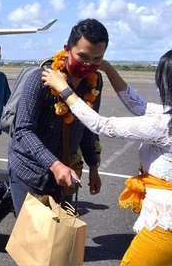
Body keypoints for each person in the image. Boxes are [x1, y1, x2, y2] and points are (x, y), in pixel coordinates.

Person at [42, 53, 172, 266]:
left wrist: (64, 88)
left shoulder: (164, 125)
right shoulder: (166, 118)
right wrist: (108, 69)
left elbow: (100, 125)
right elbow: (139, 106)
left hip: (165, 226)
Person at [8, 18, 106, 215]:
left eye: (97, 60)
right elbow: (23, 130)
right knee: (33, 239)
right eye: (83, 57)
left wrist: (93, 167)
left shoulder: (94, 83)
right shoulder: (40, 79)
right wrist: (54, 164)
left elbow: (87, 126)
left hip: (64, 174)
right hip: (30, 171)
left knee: (59, 238)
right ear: (67, 49)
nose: (88, 65)